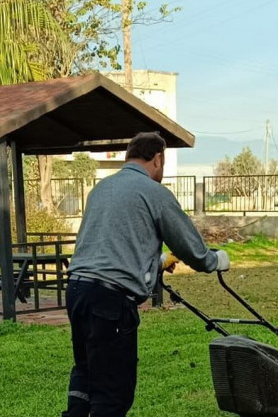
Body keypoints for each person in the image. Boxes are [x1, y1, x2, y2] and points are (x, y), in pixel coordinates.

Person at [62, 132, 230, 417]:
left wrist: (158, 261)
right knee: (113, 394)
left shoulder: (101, 189)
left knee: (86, 373)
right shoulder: (154, 193)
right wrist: (215, 260)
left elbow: (111, 246)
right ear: (158, 158)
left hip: (78, 291)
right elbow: (191, 248)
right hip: (110, 301)